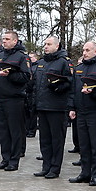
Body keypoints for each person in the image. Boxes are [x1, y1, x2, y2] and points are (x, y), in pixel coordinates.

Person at [68, 42, 96, 186]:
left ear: (95, 51)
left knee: (95, 145)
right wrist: (72, 107)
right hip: (81, 111)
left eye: (87, 50)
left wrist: (94, 92)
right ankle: (84, 172)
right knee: (84, 144)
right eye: (83, 50)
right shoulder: (79, 68)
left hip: (94, 111)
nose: (84, 53)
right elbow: (73, 90)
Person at [32, 36, 73, 179]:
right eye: (44, 44)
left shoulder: (64, 62)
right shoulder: (41, 62)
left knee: (56, 140)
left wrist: (57, 87)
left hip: (57, 107)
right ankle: (46, 166)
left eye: (49, 44)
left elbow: (69, 83)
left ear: (57, 46)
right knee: (44, 139)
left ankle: (55, 168)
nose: (45, 47)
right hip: (42, 106)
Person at [0, 31, 31, 171]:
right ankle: (5, 158)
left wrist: (11, 74)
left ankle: (14, 160)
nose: (5, 41)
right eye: (3, 39)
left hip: (14, 99)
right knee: (3, 131)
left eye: (7, 39)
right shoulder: (0, 56)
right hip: (1, 98)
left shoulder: (21, 57)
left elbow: (26, 77)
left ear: (15, 41)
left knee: (14, 131)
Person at [25, 52, 39, 138]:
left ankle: (32, 130)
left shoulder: (36, 67)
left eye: (31, 57)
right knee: (27, 112)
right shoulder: (28, 67)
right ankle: (27, 129)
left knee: (32, 113)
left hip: (33, 92)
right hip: (27, 92)